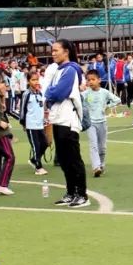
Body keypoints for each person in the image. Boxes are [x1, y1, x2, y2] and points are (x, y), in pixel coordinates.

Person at [44, 38, 89, 208]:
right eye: (53, 50)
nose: (53, 53)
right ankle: (71, 192)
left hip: (68, 119)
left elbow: (57, 93)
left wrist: (50, 92)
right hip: (58, 118)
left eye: (56, 50)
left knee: (73, 158)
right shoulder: (59, 70)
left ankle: (81, 193)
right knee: (63, 158)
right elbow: (48, 90)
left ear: (66, 51)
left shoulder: (70, 69)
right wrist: (50, 92)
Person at [82, 70, 121, 178]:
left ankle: (102, 165)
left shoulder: (104, 92)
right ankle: (96, 167)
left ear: (99, 80)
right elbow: (78, 101)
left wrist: (108, 106)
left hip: (102, 122)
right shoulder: (85, 94)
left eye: (93, 79)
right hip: (91, 123)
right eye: (88, 80)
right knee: (93, 145)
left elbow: (117, 100)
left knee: (102, 147)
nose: (91, 82)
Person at [20, 70, 48, 176]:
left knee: (44, 144)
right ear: (28, 81)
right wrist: (23, 123)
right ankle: (38, 167)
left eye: (37, 79)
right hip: (30, 124)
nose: (36, 82)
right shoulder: (26, 94)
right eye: (33, 80)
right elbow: (23, 109)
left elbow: (40, 108)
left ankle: (33, 159)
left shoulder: (39, 92)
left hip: (39, 124)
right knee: (35, 146)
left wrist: (45, 118)